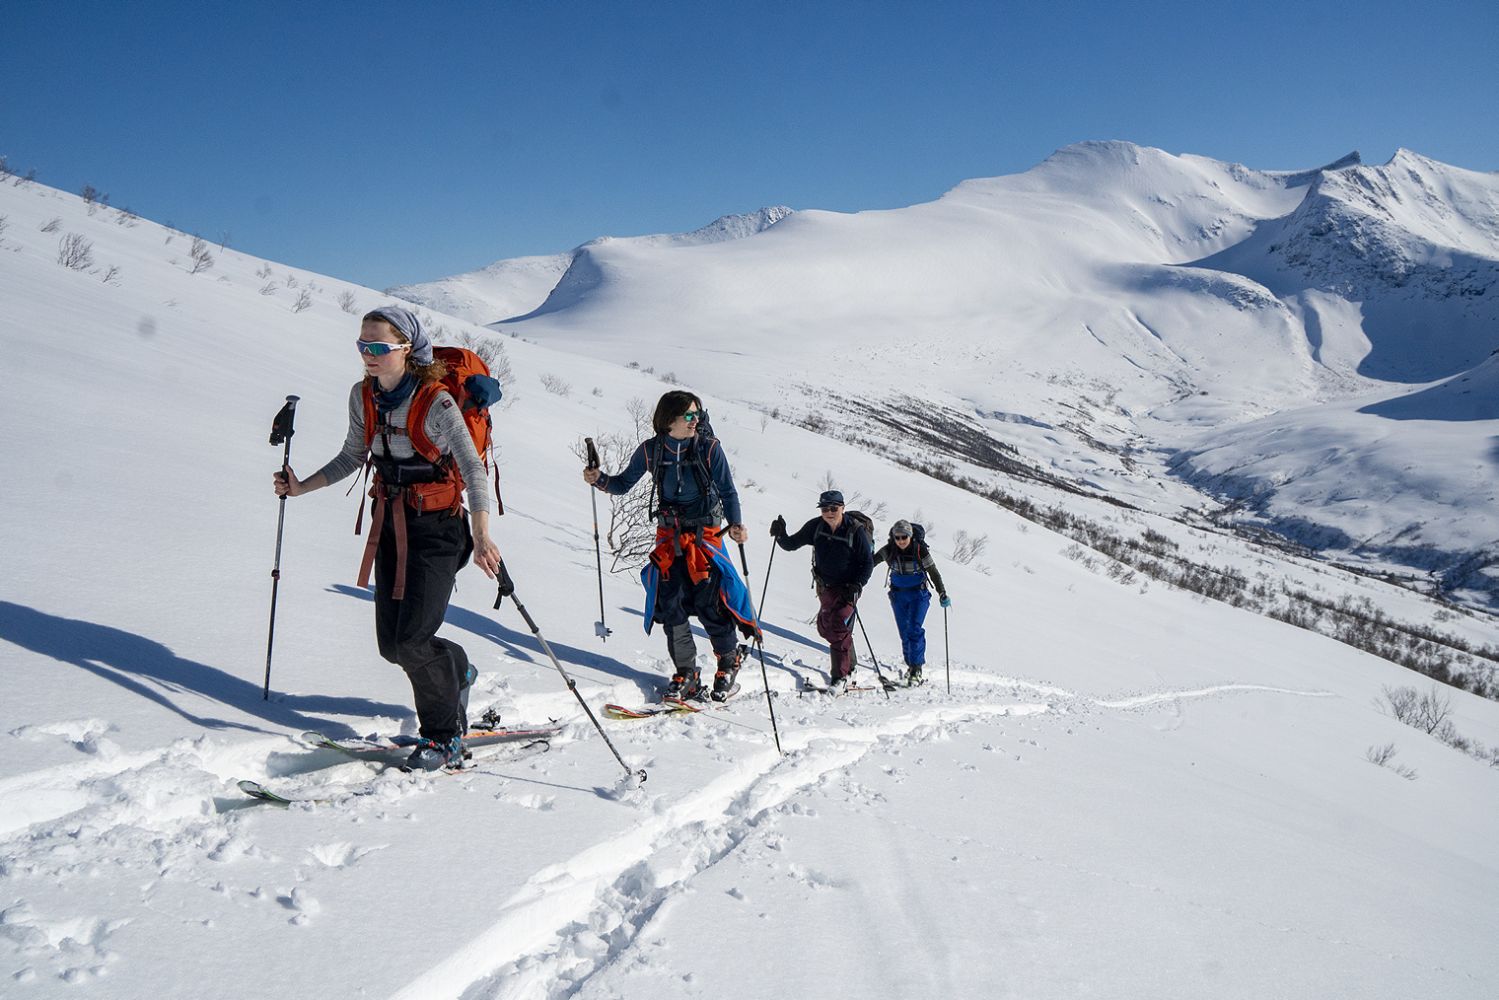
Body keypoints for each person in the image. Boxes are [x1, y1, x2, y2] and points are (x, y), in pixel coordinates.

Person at [273, 306, 501, 770]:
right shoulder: (363, 396)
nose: (368, 354)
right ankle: (457, 670)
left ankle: (442, 737)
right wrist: (301, 488)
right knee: (392, 646)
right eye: (362, 345)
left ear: (407, 349)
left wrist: (481, 535)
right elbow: (352, 456)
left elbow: (473, 469)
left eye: (378, 346)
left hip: (438, 531)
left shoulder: (437, 402)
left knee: (413, 641)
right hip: (391, 525)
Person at [583, 390, 758, 701]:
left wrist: (736, 525)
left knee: (709, 601)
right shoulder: (651, 451)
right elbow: (622, 484)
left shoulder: (709, 449)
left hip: (705, 536)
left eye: (698, 415)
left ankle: (728, 662)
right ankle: (686, 671)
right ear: (669, 419)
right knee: (670, 602)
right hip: (669, 537)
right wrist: (599, 479)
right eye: (689, 415)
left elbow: (728, 491)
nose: (695, 421)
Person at [770, 490, 874, 692]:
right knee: (825, 628)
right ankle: (850, 665)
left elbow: (867, 563)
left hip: (848, 588)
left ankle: (841, 676)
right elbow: (791, 544)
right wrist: (781, 534)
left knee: (837, 626)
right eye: (825, 509)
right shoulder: (816, 526)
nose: (829, 512)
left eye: (833, 508)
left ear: (842, 508)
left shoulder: (855, 531)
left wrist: (857, 584)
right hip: (825, 586)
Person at [873, 519, 950, 684]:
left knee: (914, 629)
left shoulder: (920, 550)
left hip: (918, 595)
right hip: (898, 596)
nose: (901, 541)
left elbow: (933, 572)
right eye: (897, 537)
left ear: (910, 536)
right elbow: (871, 562)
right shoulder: (889, 550)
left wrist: (942, 592)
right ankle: (911, 666)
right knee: (904, 632)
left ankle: (916, 669)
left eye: (904, 537)